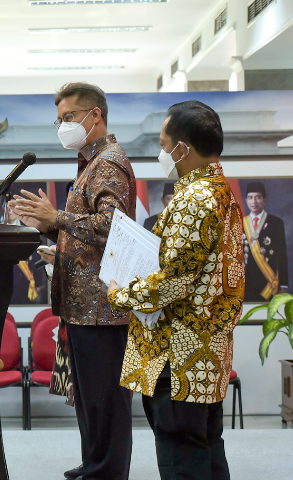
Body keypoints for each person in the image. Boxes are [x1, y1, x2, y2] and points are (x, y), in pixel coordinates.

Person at [108, 100, 244, 480]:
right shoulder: (221, 191)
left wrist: (120, 293)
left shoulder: (192, 199)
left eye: (165, 143)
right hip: (208, 349)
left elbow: (173, 280)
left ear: (182, 148)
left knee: (180, 452)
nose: (162, 151)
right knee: (206, 445)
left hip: (179, 351)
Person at [11, 82, 135, 480]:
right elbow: (89, 234)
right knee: (88, 399)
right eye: (58, 120)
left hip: (103, 308)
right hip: (83, 307)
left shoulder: (108, 162)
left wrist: (57, 219)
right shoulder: (90, 162)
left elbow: (113, 225)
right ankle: (94, 463)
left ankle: (106, 472)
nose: (62, 126)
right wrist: (54, 237)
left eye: (68, 118)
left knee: (105, 401)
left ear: (94, 115)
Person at [242, 182, 288, 302]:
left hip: (269, 282)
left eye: (258, 197)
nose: (254, 202)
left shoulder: (276, 223)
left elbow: (282, 255)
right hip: (246, 283)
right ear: (246, 200)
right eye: (250, 197)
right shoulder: (240, 224)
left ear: (264, 200)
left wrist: (283, 284)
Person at [6, 205, 47, 304]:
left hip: (23, 278)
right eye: (7, 207)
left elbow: (36, 255)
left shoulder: (28, 229)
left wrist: (37, 282)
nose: (10, 211)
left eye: (13, 208)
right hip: (2, 277)